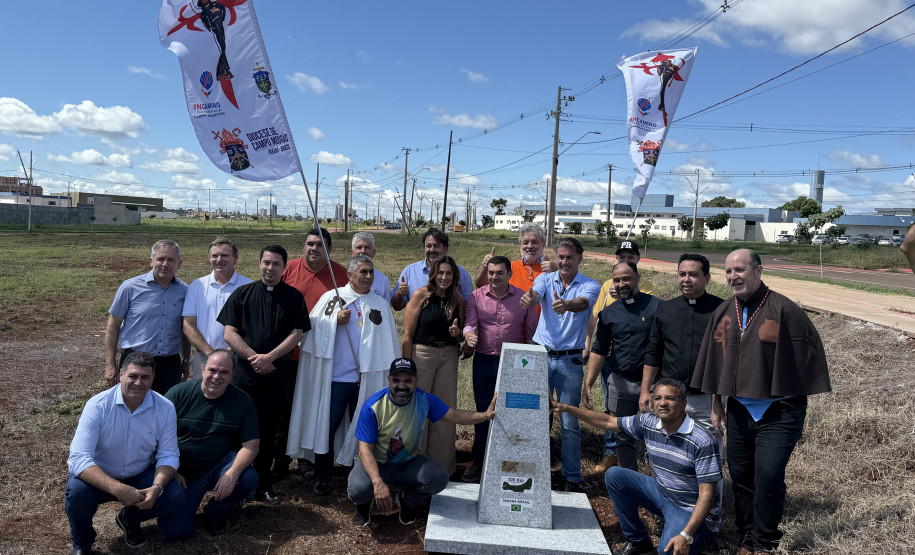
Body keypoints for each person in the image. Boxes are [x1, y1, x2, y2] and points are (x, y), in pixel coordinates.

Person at [691, 248, 831, 554]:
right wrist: (716, 404)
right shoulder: (725, 310)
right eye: (728, 271)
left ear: (758, 270)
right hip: (740, 410)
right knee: (741, 477)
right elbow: (717, 362)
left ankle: (764, 541)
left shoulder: (785, 310)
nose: (733, 277)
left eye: (739, 270)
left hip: (779, 412)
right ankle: (746, 536)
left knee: (768, 475)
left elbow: (804, 362)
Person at [552, 379, 721, 555]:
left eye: (669, 398)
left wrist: (686, 535)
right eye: (657, 398)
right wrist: (566, 408)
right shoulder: (649, 423)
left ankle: (698, 535)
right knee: (615, 475)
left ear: (683, 403)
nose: (662, 403)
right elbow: (609, 421)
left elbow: (707, 496)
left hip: (689, 508)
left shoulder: (701, 440)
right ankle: (638, 540)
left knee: (667, 551)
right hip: (663, 492)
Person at [286, 255, 400, 496]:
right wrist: (332, 321)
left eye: (371, 272)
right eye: (363, 272)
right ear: (349, 275)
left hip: (366, 378)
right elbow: (310, 331)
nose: (369, 277)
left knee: (365, 429)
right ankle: (322, 477)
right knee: (326, 427)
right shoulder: (332, 299)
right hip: (337, 379)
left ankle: (356, 474)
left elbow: (389, 342)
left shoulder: (380, 303)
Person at [347, 358, 497, 526]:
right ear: (389, 379)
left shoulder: (424, 399)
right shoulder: (372, 407)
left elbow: (454, 415)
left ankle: (406, 500)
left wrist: (484, 416)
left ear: (416, 381)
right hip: (377, 464)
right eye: (396, 380)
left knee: (439, 478)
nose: (402, 386)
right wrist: (377, 482)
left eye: (408, 381)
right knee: (358, 489)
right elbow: (364, 450)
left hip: (407, 463)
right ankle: (363, 506)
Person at [217, 245, 310, 504]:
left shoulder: (293, 297)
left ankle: (263, 484)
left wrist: (270, 358)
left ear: (284, 267)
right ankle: (236, 483)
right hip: (244, 376)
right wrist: (253, 357)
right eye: (266, 263)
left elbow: (297, 333)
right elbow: (229, 333)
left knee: (270, 430)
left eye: (276, 264)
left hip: (276, 374)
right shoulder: (242, 294)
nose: (270, 268)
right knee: (241, 429)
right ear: (259, 263)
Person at [65, 351, 184, 554]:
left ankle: (129, 518)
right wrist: (118, 489)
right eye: (133, 376)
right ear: (121, 375)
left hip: (140, 474)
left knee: (173, 495)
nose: (139, 383)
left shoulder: (165, 408)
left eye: (145, 377)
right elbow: (78, 458)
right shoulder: (97, 405)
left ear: (153, 378)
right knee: (76, 494)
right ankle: (82, 543)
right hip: (101, 474)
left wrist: (156, 486)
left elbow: (168, 455)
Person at [519, 237, 600, 491]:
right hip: (541, 356)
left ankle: (572, 477)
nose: (564, 262)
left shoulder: (590, 285)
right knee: (537, 417)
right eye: (561, 257)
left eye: (569, 258)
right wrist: (530, 298)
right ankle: (537, 471)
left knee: (569, 422)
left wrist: (566, 304)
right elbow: (535, 296)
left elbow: (583, 304)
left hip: (570, 361)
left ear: (579, 259)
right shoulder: (545, 279)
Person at [159, 349, 259, 539]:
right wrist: (172, 471)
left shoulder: (242, 401)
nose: (216, 376)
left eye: (224, 372)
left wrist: (232, 473)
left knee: (247, 477)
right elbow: (155, 437)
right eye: (212, 370)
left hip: (219, 466)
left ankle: (216, 512)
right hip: (183, 472)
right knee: (174, 532)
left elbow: (251, 444)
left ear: (232, 375)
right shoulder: (178, 394)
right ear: (203, 369)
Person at [461, 255, 538, 482]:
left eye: (499, 273)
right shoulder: (476, 296)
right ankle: (479, 461)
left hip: (514, 363)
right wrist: (469, 335)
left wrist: (529, 365)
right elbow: (470, 323)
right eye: (491, 273)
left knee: (513, 413)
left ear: (509, 274)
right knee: (484, 411)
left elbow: (532, 333)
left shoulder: (523, 299)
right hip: (484, 361)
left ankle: (509, 461)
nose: (494, 277)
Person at [279, 227, 348, 477]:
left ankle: (306, 456)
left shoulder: (341, 275)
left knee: (313, 409)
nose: (314, 249)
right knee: (286, 409)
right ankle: (281, 458)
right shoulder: (290, 269)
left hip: (321, 356)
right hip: (288, 353)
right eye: (309, 244)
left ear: (329, 249)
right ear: (303, 247)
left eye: (319, 245)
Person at [583, 239, 656, 473]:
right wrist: (588, 382)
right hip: (621, 383)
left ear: (637, 279)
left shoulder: (658, 307)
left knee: (657, 435)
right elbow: (600, 349)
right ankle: (629, 479)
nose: (621, 283)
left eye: (626, 279)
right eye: (617, 280)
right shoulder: (608, 313)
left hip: (653, 385)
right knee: (622, 434)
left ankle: (658, 483)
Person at [640, 253, 724, 436]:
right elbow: (654, 351)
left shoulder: (721, 310)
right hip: (671, 397)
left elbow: (726, 357)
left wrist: (718, 402)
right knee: (670, 448)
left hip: (706, 399)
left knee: (709, 449)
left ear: (707, 278)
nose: (686, 280)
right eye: (682, 274)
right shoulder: (665, 309)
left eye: (693, 275)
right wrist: (645, 390)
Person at [401, 255, 466, 476]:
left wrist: (458, 335)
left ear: (454, 276)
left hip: (448, 356)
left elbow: (460, 336)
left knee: (444, 412)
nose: (444, 277)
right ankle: (414, 465)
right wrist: (406, 368)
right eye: (440, 273)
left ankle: (442, 469)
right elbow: (407, 335)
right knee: (418, 410)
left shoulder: (457, 300)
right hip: (422, 355)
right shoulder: (421, 296)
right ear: (433, 274)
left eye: (448, 273)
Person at [104, 239, 190, 394]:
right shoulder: (130, 287)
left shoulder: (185, 292)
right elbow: (113, 326)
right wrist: (110, 364)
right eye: (160, 259)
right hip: (135, 360)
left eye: (171, 260)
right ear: (151, 261)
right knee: (131, 406)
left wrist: (186, 360)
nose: (165, 264)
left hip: (169, 363)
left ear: (179, 263)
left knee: (166, 408)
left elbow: (186, 329)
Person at [182, 236, 253, 379]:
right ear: (209, 258)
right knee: (203, 398)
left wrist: (229, 353)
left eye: (224, 255)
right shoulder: (197, 286)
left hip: (238, 359)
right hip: (203, 358)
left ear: (235, 258)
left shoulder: (249, 287)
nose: (219, 259)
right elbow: (188, 325)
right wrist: (211, 354)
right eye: (214, 256)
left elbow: (252, 326)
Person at [391, 227, 473, 310]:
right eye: (428, 246)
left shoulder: (461, 273)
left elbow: (469, 307)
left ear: (445, 249)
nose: (432, 250)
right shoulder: (410, 271)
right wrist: (399, 294)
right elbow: (397, 307)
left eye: (437, 246)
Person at [473, 223, 556, 289]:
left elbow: (567, 293)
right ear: (520, 244)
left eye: (534, 242)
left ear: (543, 244)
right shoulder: (510, 267)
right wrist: (484, 268)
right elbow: (480, 285)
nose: (530, 246)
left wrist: (557, 274)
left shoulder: (553, 268)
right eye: (525, 242)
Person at [352, 231, 392, 301]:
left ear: (373, 252)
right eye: (359, 247)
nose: (363, 251)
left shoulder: (383, 280)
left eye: (367, 247)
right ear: (352, 252)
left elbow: (386, 308)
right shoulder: (342, 276)